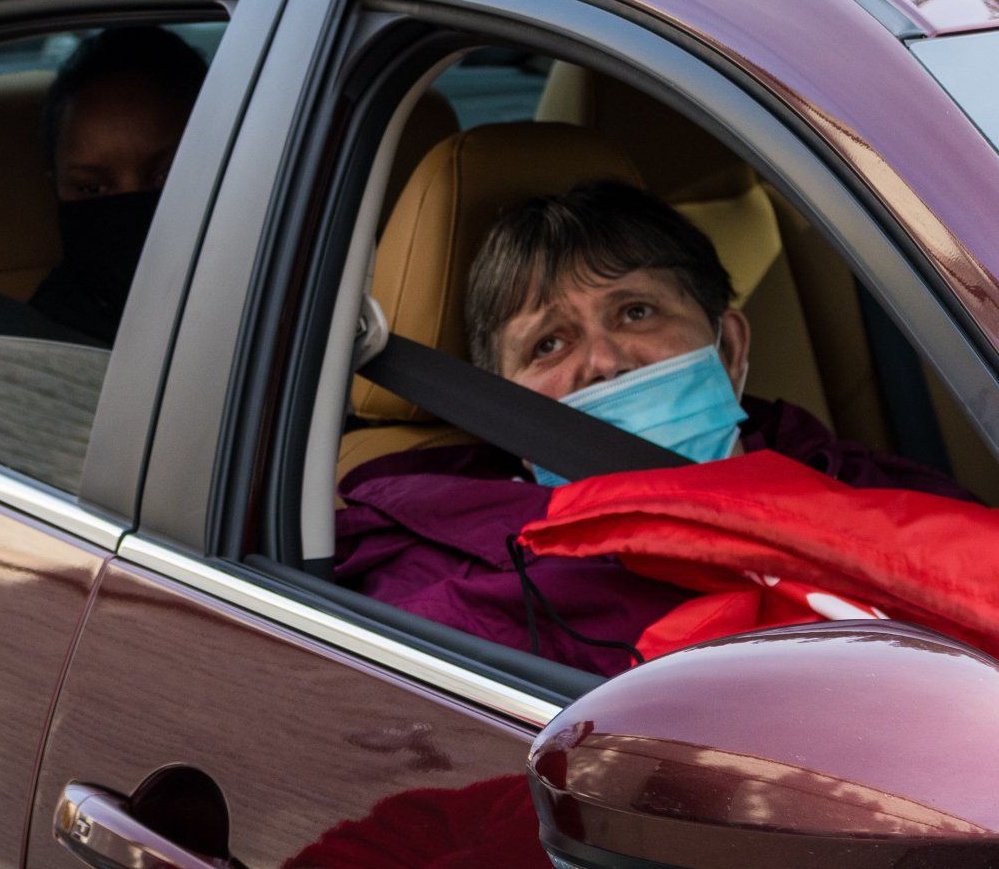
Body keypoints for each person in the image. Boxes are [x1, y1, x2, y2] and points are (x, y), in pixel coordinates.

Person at [334, 181, 976, 676]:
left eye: (636, 312)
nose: (604, 361)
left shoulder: (880, 494)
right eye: (548, 344)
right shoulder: (441, 600)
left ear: (729, 348)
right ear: (498, 410)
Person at [28, 26, 206, 343]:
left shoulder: (278, 296)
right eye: (92, 188)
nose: (131, 210)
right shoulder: (35, 345)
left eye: (168, 176)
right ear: (55, 188)